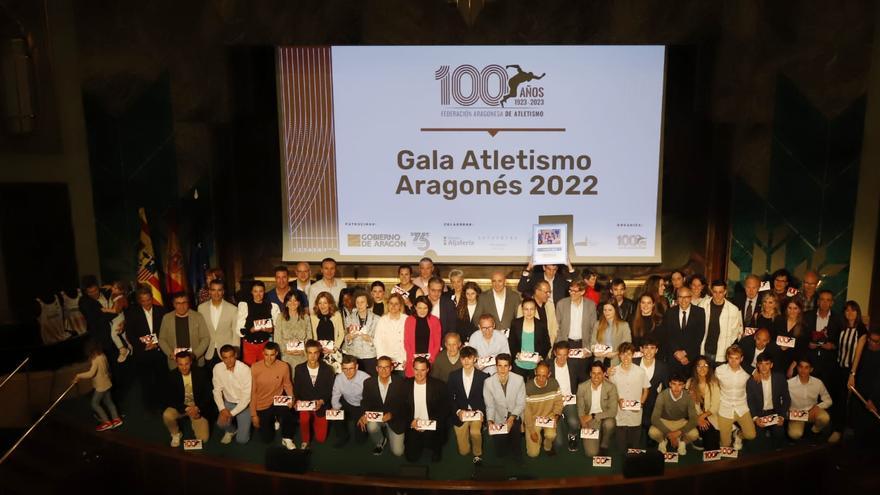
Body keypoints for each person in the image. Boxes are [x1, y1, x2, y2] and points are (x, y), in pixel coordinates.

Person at [827, 300, 867, 443]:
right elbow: (837, 347)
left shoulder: (861, 330)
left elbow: (858, 354)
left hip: (850, 370)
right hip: (837, 367)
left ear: (858, 312)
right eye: (847, 310)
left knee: (844, 401)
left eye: (853, 310)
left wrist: (852, 374)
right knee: (834, 398)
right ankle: (832, 427)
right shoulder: (841, 327)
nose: (850, 313)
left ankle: (839, 430)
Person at [124, 285, 168, 412]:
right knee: (146, 382)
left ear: (152, 298)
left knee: (162, 380)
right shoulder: (132, 313)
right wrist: (145, 345)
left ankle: (164, 405)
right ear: (139, 301)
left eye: (148, 299)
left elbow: (166, 330)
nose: (147, 303)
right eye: (143, 300)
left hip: (160, 353)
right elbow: (130, 334)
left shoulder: (162, 311)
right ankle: (150, 407)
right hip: (142, 354)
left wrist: (157, 343)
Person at [401, 356, 449, 462]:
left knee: (436, 457)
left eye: (422, 370)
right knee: (411, 458)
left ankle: (434, 447)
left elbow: (445, 408)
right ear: (413, 369)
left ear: (428, 370)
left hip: (432, 424)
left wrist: (430, 423)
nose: (419, 373)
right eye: (416, 369)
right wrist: (410, 422)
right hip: (414, 425)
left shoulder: (439, 385)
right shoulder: (405, 385)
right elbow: (401, 408)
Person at [250, 342, 296, 450]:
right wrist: (253, 415)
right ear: (263, 354)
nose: (269, 358)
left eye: (272, 355)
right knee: (267, 439)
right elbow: (252, 392)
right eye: (266, 355)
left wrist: (292, 398)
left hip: (278, 399)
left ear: (276, 354)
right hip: (262, 403)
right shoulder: (255, 367)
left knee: (290, 411)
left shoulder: (284, 366)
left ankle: (287, 438)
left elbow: (287, 384)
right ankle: (274, 419)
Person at [447, 346, 488, 465]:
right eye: (463, 358)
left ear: (475, 359)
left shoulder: (483, 377)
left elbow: (487, 399)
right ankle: (467, 448)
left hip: (477, 412)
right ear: (460, 359)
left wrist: (481, 412)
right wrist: (458, 411)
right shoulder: (453, 376)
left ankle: (477, 453)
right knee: (464, 451)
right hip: (461, 413)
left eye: (469, 358)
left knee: (475, 432)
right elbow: (450, 397)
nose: (466, 361)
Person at [163, 351, 213, 447]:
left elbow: (208, 395)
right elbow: (169, 398)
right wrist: (186, 408)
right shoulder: (171, 376)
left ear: (191, 362)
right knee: (167, 415)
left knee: (203, 439)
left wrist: (198, 408)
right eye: (180, 364)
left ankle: (194, 422)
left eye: (186, 364)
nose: (184, 367)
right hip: (182, 407)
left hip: (197, 408)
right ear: (177, 364)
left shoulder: (201, 373)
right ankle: (176, 434)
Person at [359, 356, 406, 456]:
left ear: (392, 368)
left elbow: (404, 405)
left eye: (387, 367)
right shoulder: (368, 382)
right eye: (380, 367)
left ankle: (392, 432)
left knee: (398, 452)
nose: (383, 370)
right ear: (377, 369)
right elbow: (365, 401)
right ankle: (381, 441)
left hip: (395, 418)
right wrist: (364, 414)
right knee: (371, 426)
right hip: (377, 415)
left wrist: (391, 415)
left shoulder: (401, 382)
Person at [293, 339, 335, 449]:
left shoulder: (328, 369)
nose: (313, 356)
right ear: (306, 353)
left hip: (320, 404)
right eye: (310, 353)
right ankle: (305, 440)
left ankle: (314, 422)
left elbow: (330, 391)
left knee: (321, 439)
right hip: (305, 404)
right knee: (304, 418)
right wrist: (298, 401)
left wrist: (321, 401)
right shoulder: (299, 369)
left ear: (319, 353)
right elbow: (297, 389)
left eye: (315, 353)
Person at [483, 353, 526, 461]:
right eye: (499, 366)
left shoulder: (519, 379)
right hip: (498, 416)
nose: (502, 369)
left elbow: (521, 403)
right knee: (500, 452)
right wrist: (490, 422)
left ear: (510, 367)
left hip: (514, 415)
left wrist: (511, 419)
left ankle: (517, 452)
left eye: (505, 366)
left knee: (516, 446)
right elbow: (490, 406)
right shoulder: (488, 383)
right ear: (496, 366)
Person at [73, 338, 122, 431]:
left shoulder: (95, 360)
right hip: (107, 383)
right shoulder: (103, 355)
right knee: (109, 402)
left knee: (94, 403)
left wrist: (78, 376)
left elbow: (91, 373)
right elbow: (107, 368)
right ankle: (116, 419)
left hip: (101, 386)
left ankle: (106, 422)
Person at [608, 342, 649, 450]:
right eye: (623, 354)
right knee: (621, 448)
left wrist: (641, 404)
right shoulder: (613, 372)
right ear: (619, 356)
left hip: (635, 415)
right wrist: (618, 400)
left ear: (633, 355)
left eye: (629, 354)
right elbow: (611, 392)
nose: (625, 357)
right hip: (620, 415)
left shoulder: (640, 371)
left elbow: (646, 390)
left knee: (634, 448)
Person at [546, 341, 586, 452]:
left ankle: (572, 436)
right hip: (554, 403)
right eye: (559, 355)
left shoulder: (574, 364)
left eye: (565, 355)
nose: (562, 358)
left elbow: (584, 380)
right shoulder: (548, 365)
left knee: (574, 422)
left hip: (570, 401)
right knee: (558, 443)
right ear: (554, 353)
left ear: (569, 353)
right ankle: (561, 421)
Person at [715, 345, 757, 449]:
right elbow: (711, 385)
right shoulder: (719, 370)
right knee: (725, 444)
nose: (733, 361)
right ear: (727, 358)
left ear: (741, 359)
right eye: (731, 358)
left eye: (737, 358)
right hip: (725, 407)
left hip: (742, 407)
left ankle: (738, 434)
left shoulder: (747, 372)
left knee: (751, 435)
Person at [746, 353, 790, 448]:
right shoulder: (751, 381)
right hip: (759, 413)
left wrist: (782, 416)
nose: (764, 367)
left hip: (775, 412)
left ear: (771, 365)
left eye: (767, 363)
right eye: (761, 364)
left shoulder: (779, 378)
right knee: (757, 442)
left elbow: (786, 398)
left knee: (779, 437)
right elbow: (750, 401)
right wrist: (755, 418)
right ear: (757, 365)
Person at [649, 374, 699, 455]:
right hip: (665, 420)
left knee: (694, 434)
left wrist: (679, 432)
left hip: (680, 421)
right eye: (674, 384)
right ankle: (663, 441)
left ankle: (682, 442)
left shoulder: (688, 397)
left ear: (683, 385)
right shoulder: (662, 395)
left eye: (680, 385)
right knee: (652, 432)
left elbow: (693, 419)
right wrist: (670, 434)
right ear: (670, 384)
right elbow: (654, 418)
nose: (676, 387)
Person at [660, 287, 706, 376]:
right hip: (674, 357)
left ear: (691, 297)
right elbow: (667, 335)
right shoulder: (670, 312)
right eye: (680, 297)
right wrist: (676, 352)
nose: (683, 300)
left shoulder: (699, 312)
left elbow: (699, 336)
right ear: (677, 298)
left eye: (686, 297)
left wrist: (685, 353)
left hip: (691, 357)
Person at [158, 292, 211, 370]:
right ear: (173, 304)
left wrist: (195, 355)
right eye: (178, 303)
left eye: (184, 303)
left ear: (188, 303)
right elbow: (162, 339)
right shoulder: (167, 318)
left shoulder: (198, 317)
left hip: (195, 362)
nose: (181, 306)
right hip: (175, 362)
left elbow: (205, 338)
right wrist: (170, 354)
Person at [212, 345, 252, 444]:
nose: (229, 361)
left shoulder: (245, 369)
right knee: (221, 424)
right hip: (228, 402)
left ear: (236, 355)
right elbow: (216, 391)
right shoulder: (217, 368)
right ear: (222, 358)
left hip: (244, 405)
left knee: (242, 440)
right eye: (225, 358)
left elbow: (246, 397)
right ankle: (231, 431)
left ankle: (242, 430)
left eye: (231, 357)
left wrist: (230, 414)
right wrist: (222, 409)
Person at [576, 361, 618, 457]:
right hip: (590, 420)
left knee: (610, 424)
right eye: (593, 373)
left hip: (604, 417)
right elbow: (580, 409)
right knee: (591, 453)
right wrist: (583, 423)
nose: (596, 376)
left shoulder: (611, 387)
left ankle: (604, 444)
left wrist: (593, 415)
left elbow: (613, 411)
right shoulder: (582, 387)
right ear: (590, 374)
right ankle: (597, 435)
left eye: (599, 373)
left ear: (604, 374)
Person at [699, 280, 744, 366]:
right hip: (705, 351)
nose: (717, 295)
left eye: (720, 292)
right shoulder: (702, 305)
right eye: (715, 292)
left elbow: (736, 331)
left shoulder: (733, 309)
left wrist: (727, 343)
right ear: (711, 291)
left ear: (725, 292)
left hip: (722, 353)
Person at [523, 362, 563, 457]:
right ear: (535, 372)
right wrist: (532, 431)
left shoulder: (554, 383)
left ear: (549, 374)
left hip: (548, 416)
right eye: (538, 375)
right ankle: (537, 440)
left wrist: (556, 417)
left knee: (551, 435)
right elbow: (526, 413)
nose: (541, 379)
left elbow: (559, 403)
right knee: (533, 454)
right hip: (533, 419)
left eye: (544, 376)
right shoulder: (527, 387)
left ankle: (547, 446)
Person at [787, 357, 832, 441]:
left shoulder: (818, 382)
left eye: (806, 367)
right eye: (801, 367)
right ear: (797, 368)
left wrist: (818, 407)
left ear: (811, 369)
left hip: (812, 412)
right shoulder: (789, 383)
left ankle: (814, 431)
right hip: (797, 414)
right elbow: (782, 401)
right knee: (795, 434)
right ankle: (801, 431)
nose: (803, 370)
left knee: (825, 418)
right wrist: (789, 413)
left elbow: (828, 400)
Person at [236, 281, 281, 366]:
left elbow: (277, 327)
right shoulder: (244, 306)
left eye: (261, 291)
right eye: (255, 291)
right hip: (249, 345)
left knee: (265, 369)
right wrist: (250, 330)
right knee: (250, 370)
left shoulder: (271, 306)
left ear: (264, 292)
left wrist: (271, 329)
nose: (258, 294)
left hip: (265, 345)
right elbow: (239, 330)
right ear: (251, 292)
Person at [330, 355, 370, 447]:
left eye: (351, 368)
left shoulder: (366, 378)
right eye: (345, 369)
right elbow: (336, 395)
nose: (348, 372)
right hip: (347, 402)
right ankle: (343, 436)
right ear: (342, 368)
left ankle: (363, 432)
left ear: (356, 367)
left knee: (360, 440)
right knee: (334, 414)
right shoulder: (339, 378)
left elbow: (370, 400)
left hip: (362, 406)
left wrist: (365, 414)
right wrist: (335, 408)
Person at [198, 279, 239, 368]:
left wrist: (235, 352)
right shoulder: (201, 308)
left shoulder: (233, 309)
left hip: (227, 354)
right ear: (209, 291)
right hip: (208, 351)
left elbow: (236, 333)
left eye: (219, 290)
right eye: (213, 290)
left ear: (223, 292)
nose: (216, 293)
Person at [804, 289, 842, 383]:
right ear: (818, 302)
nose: (825, 303)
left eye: (828, 300)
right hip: (810, 360)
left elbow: (840, 341)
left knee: (826, 392)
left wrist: (832, 346)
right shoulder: (807, 316)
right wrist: (807, 344)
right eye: (822, 299)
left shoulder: (838, 319)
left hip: (828, 362)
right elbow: (801, 337)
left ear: (832, 303)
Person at [850, 327, 880, 448]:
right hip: (860, 392)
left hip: (875, 396)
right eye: (870, 340)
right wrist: (852, 378)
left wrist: (874, 400)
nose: (872, 343)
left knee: (871, 431)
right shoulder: (865, 349)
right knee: (857, 426)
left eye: (876, 341)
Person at [637, 337, 669, 444]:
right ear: (641, 349)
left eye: (652, 348)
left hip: (653, 400)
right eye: (646, 348)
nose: (649, 351)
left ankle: (649, 429)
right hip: (633, 398)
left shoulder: (662, 366)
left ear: (657, 350)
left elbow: (666, 387)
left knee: (648, 423)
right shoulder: (634, 362)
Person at [510, 299, 551, 378]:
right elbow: (511, 342)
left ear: (535, 310)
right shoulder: (515, 323)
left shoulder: (541, 325)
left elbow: (547, 344)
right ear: (522, 310)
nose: (529, 312)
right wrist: (516, 354)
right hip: (519, 364)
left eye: (532, 309)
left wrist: (541, 357)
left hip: (535, 365)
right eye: (526, 309)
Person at [403, 296, 442, 377]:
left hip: (430, 359)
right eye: (419, 308)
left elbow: (437, 343)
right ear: (415, 307)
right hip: (413, 359)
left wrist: (431, 358)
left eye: (425, 308)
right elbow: (407, 342)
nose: (422, 311)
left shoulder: (435, 320)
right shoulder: (409, 320)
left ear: (429, 308)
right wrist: (412, 358)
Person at [688, 355, 721, 450]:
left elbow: (715, 406)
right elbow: (689, 407)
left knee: (710, 431)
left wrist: (701, 417)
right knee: (708, 430)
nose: (702, 368)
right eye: (699, 366)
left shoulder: (714, 383)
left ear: (709, 368)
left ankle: (711, 452)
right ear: (695, 368)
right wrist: (698, 418)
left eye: (705, 365)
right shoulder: (690, 383)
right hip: (694, 416)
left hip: (710, 415)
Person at [555, 279, 598, 352]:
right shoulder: (561, 304)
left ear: (582, 292)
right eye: (570, 290)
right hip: (565, 343)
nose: (571, 293)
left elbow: (593, 327)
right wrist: (559, 343)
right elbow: (556, 326)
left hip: (584, 344)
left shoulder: (590, 305)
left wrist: (589, 347)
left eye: (575, 291)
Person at [342, 290, 379, 375]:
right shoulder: (349, 318)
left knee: (370, 381)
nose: (360, 305)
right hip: (354, 355)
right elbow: (345, 337)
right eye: (357, 302)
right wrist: (349, 338)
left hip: (370, 355)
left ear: (367, 303)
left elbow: (380, 340)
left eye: (362, 302)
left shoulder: (377, 319)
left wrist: (370, 339)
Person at [277, 290, 313, 370]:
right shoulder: (280, 317)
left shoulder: (306, 317)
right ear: (286, 303)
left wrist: (304, 351)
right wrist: (285, 351)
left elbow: (310, 337)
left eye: (295, 300)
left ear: (299, 303)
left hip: (302, 356)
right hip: (286, 357)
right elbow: (277, 338)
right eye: (290, 300)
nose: (292, 303)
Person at [309, 292, 344, 372]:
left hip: (334, 352)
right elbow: (312, 336)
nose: (322, 306)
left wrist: (334, 349)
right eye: (320, 303)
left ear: (330, 304)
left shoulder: (337, 315)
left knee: (335, 377)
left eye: (325, 303)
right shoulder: (313, 317)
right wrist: (317, 349)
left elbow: (341, 334)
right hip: (319, 353)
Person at [374, 293, 408, 374]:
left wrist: (407, 359)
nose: (393, 306)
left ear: (400, 305)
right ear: (388, 304)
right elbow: (377, 341)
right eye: (391, 303)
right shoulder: (382, 320)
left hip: (402, 361)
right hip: (386, 363)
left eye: (396, 304)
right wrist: (383, 361)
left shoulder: (407, 319)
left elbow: (411, 341)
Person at [592, 301, 633, 367]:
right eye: (605, 310)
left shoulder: (624, 325)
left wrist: (616, 353)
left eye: (610, 310)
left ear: (615, 310)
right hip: (600, 359)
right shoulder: (597, 324)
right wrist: (595, 351)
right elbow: (593, 342)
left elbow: (627, 344)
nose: (607, 312)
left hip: (617, 360)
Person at [779, 299, 809, 377]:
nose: (792, 311)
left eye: (795, 308)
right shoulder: (779, 321)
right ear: (786, 309)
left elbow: (802, 350)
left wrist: (792, 367)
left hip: (792, 363)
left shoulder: (804, 327)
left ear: (799, 310)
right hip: (777, 360)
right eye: (790, 308)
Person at [525, 280, 559, 344]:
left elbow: (554, 326)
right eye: (546, 292)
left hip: (548, 345)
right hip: (531, 345)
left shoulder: (550, 305)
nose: (548, 295)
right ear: (537, 291)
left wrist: (551, 342)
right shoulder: (525, 306)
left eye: (549, 292)